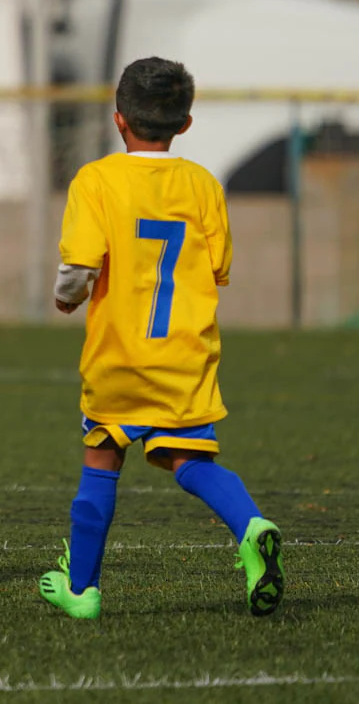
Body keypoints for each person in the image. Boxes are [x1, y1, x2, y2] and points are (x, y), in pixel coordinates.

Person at [37, 57, 284, 621]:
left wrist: (66, 298)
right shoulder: (202, 185)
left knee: (101, 461)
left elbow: (79, 265)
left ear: (118, 118)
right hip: (184, 355)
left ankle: (83, 589)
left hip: (119, 355)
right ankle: (251, 526)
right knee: (189, 460)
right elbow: (219, 267)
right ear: (185, 123)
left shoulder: (97, 179)